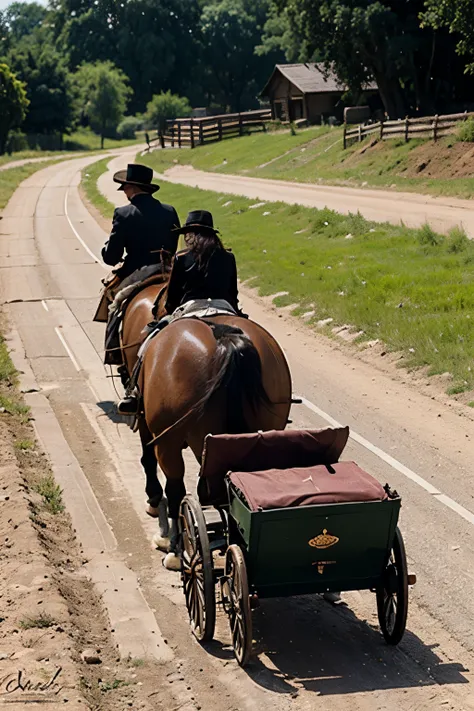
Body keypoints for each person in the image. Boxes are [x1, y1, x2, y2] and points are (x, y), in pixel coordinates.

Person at [117, 209, 240, 414]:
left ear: (190, 234)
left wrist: (167, 313)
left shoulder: (182, 258)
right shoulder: (228, 257)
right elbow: (233, 295)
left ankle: (133, 392)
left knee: (148, 341)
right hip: (225, 307)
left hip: (190, 309)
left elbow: (172, 299)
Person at [100, 163, 180, 367]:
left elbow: (111, 257)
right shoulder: (169, 211)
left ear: (131, 188)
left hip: (137, 271)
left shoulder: (123, 214)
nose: (124, 191)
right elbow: (173, 245)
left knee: (115, 303)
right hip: (167, 270)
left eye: (125, 187)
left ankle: (113, 351)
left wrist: (106, 249)